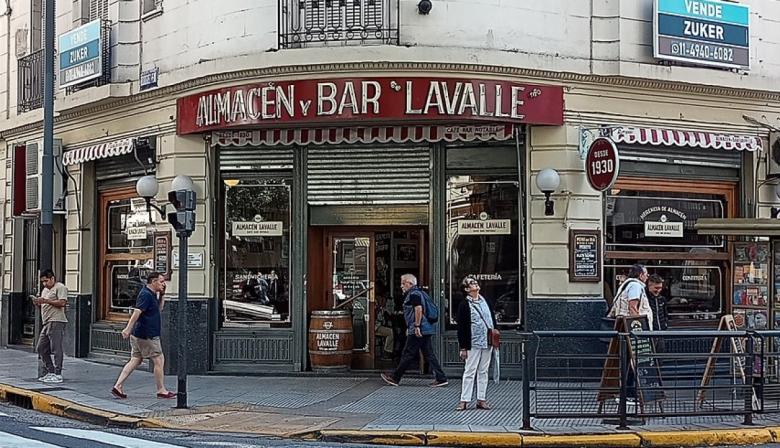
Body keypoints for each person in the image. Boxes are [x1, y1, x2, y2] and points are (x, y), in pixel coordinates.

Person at [111, 272, 176, 399]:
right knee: (159, 360)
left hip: (139, 334)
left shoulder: (151, 294)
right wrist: (127, 329)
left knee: (136, 359)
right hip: (147, 334)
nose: (164, 284)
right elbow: (137, 312)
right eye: (161, 281)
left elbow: (159, 309)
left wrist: (162, 296)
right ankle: (161, 390)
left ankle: (118, 386)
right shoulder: (146, 295)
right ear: (153, 282)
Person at [380, 274, 448, 387]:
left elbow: (418, 309)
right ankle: (441, 378)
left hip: (419, 329)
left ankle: (395, 378)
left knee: (408, 353)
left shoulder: (414, 294)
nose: (401, 286)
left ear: (410, 284)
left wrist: (416, 326)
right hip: (424, 328)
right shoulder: (419, 293)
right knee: (428, 353)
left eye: (403, 283)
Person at [456, 277, 496, 411]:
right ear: (467, 289)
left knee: (483, 371)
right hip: (473, 342)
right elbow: (462, 327)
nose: (476, 284)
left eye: (475, 282)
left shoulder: (486, 301)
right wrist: (463, 346)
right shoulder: (464, 305)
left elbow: (492, 319)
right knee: (469, 371)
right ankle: (464, 400)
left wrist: (494, 335)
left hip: (487, 342)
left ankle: (481, 399)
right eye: (472, 283)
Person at [34, 269, 68, 384]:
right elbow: (45, 304)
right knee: (41, 347)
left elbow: (63, 302)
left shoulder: (60, 287)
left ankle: (58, 373)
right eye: (43, 281)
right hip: (47, 321)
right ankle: (51, 371)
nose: (44, 284)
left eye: (46, 281)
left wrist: (47, 301)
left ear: (52, 278)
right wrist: (39, 302)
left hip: (56, 320)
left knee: (56, 347)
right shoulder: (44, 290)